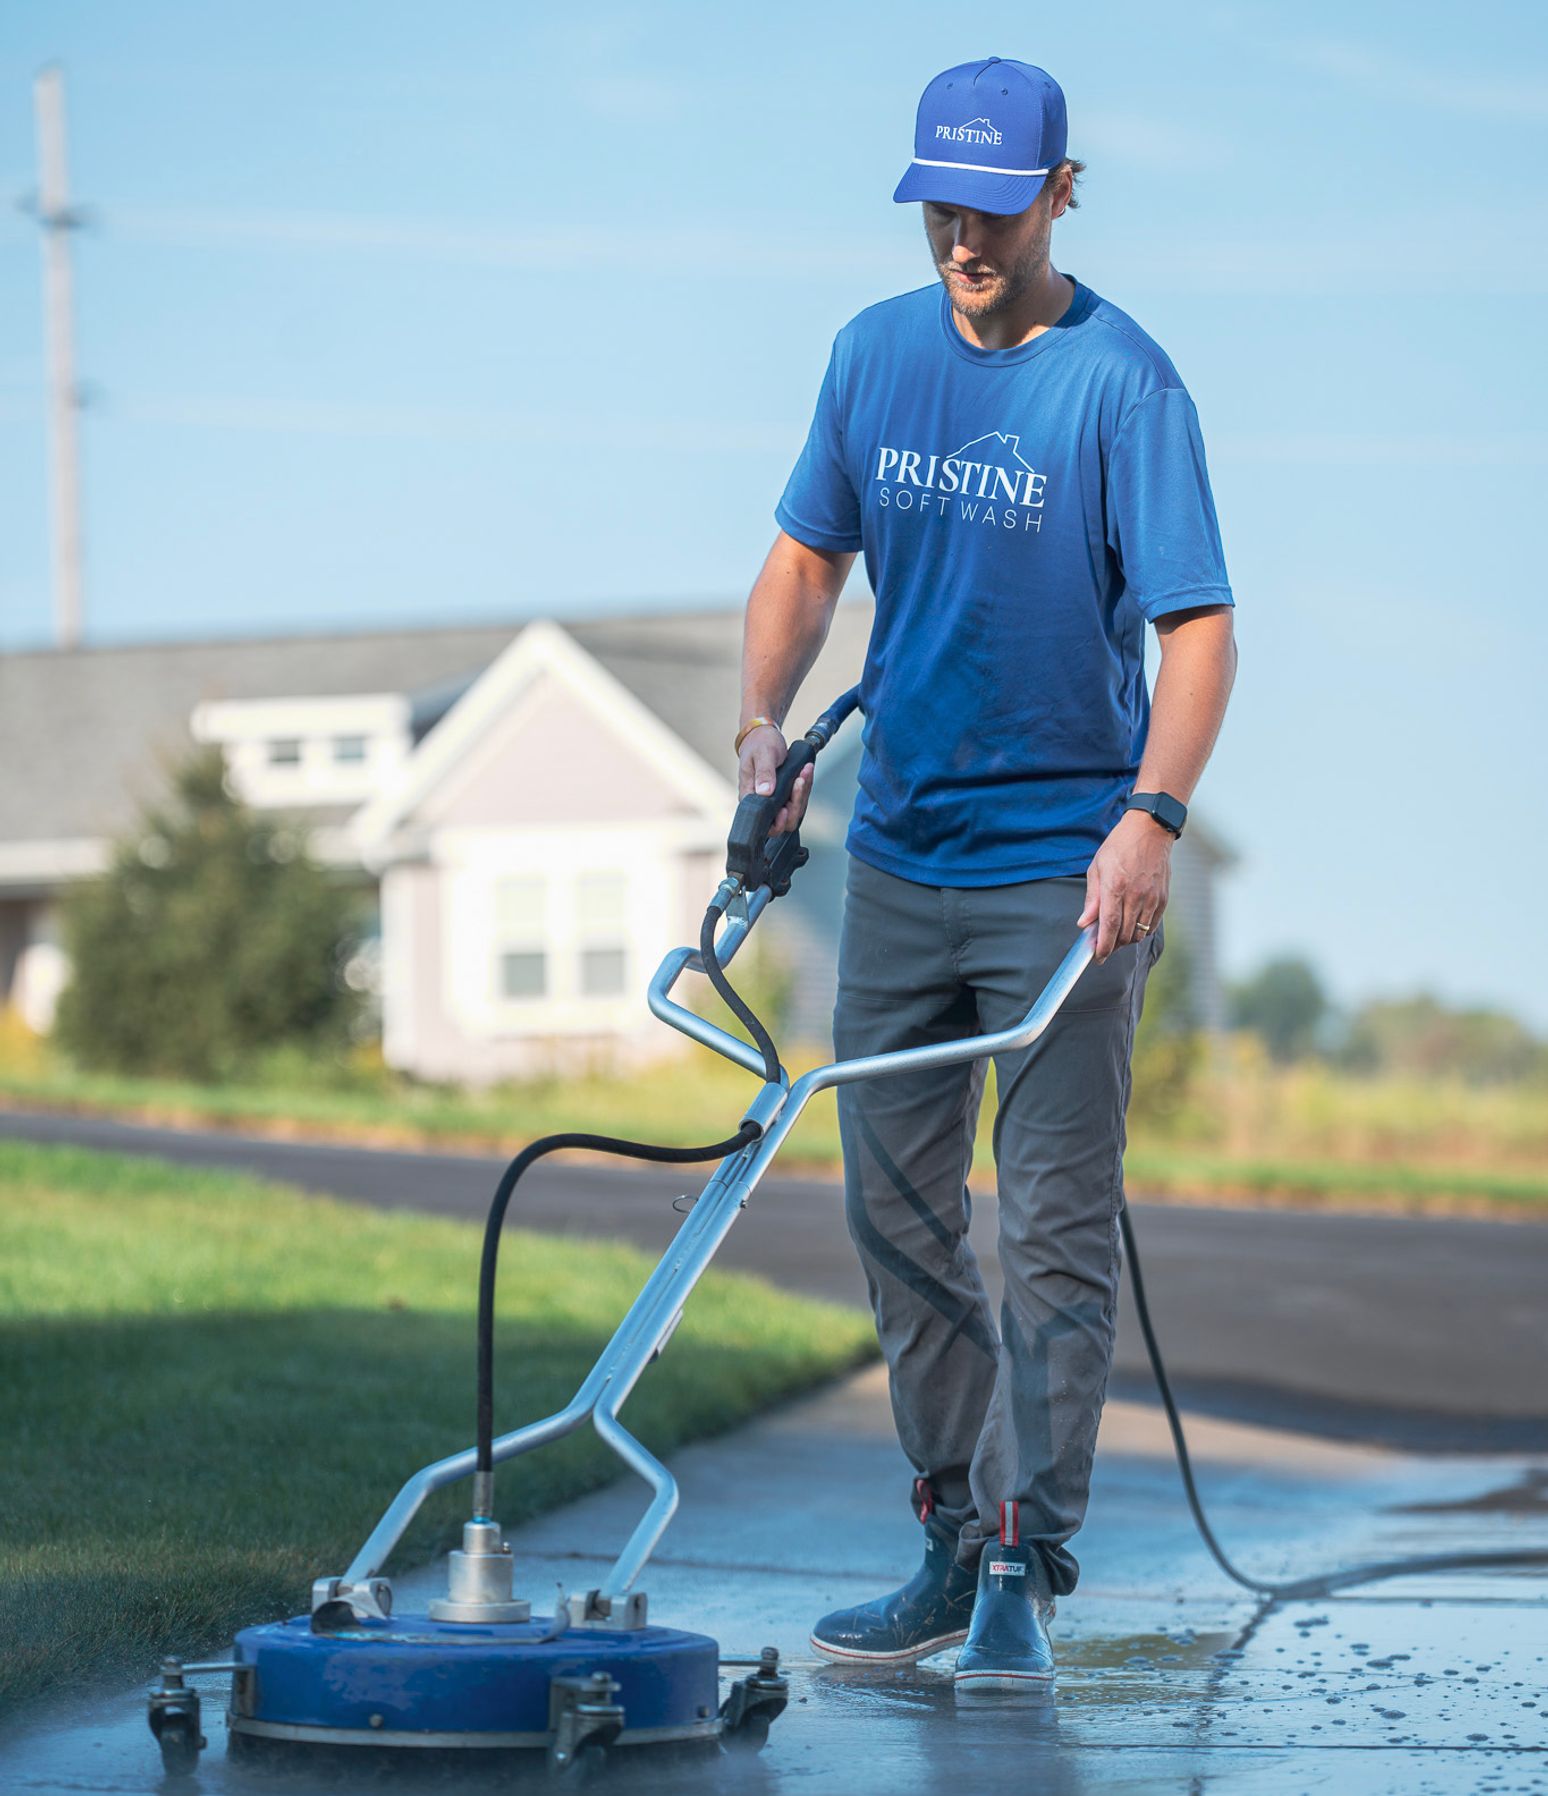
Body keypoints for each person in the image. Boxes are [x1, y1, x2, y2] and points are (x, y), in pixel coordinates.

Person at [735, 56, 1237, 1690]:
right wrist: (759, 721)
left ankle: (1028, 1548)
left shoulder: (1125, 385)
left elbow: (1199, 629)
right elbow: (807, 557)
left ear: (1060, 193)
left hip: (1064, 868)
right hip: (904, 852)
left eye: (995, 204)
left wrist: (1150, 818)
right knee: (892, 1210)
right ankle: (953, 1525)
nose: (964, 234)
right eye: (941, 203)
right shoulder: (873, 359)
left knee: (1056, 1217)